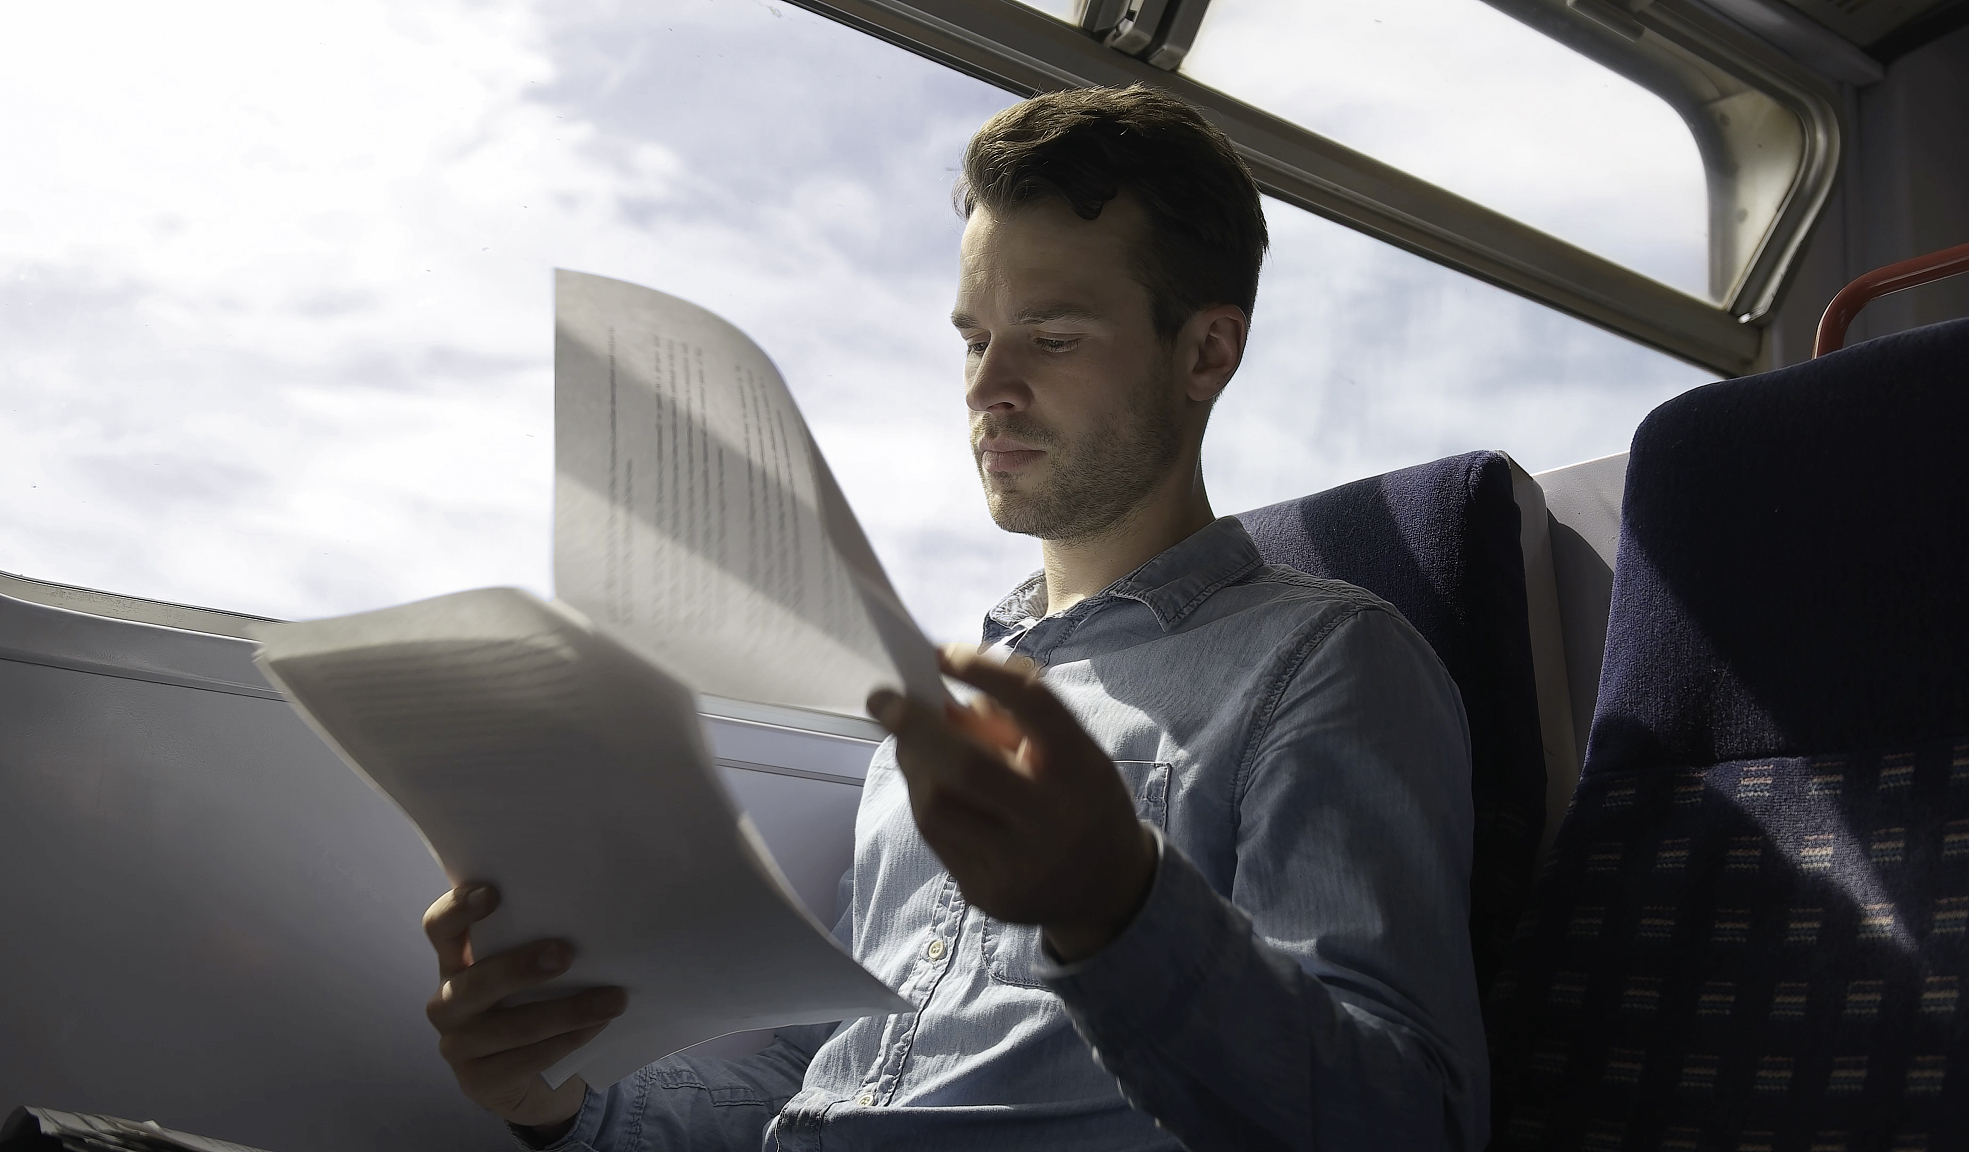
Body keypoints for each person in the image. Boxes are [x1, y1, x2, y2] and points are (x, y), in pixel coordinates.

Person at [420, 84, 1488, 1152]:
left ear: (1205, 353)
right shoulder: (939, 706)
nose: (988, 386)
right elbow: (825, 1080)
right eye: (972, 338)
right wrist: (562, 1106)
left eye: (1052, 337)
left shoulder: (1324, 664)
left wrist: (1118, 908)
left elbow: (1403, 1126)